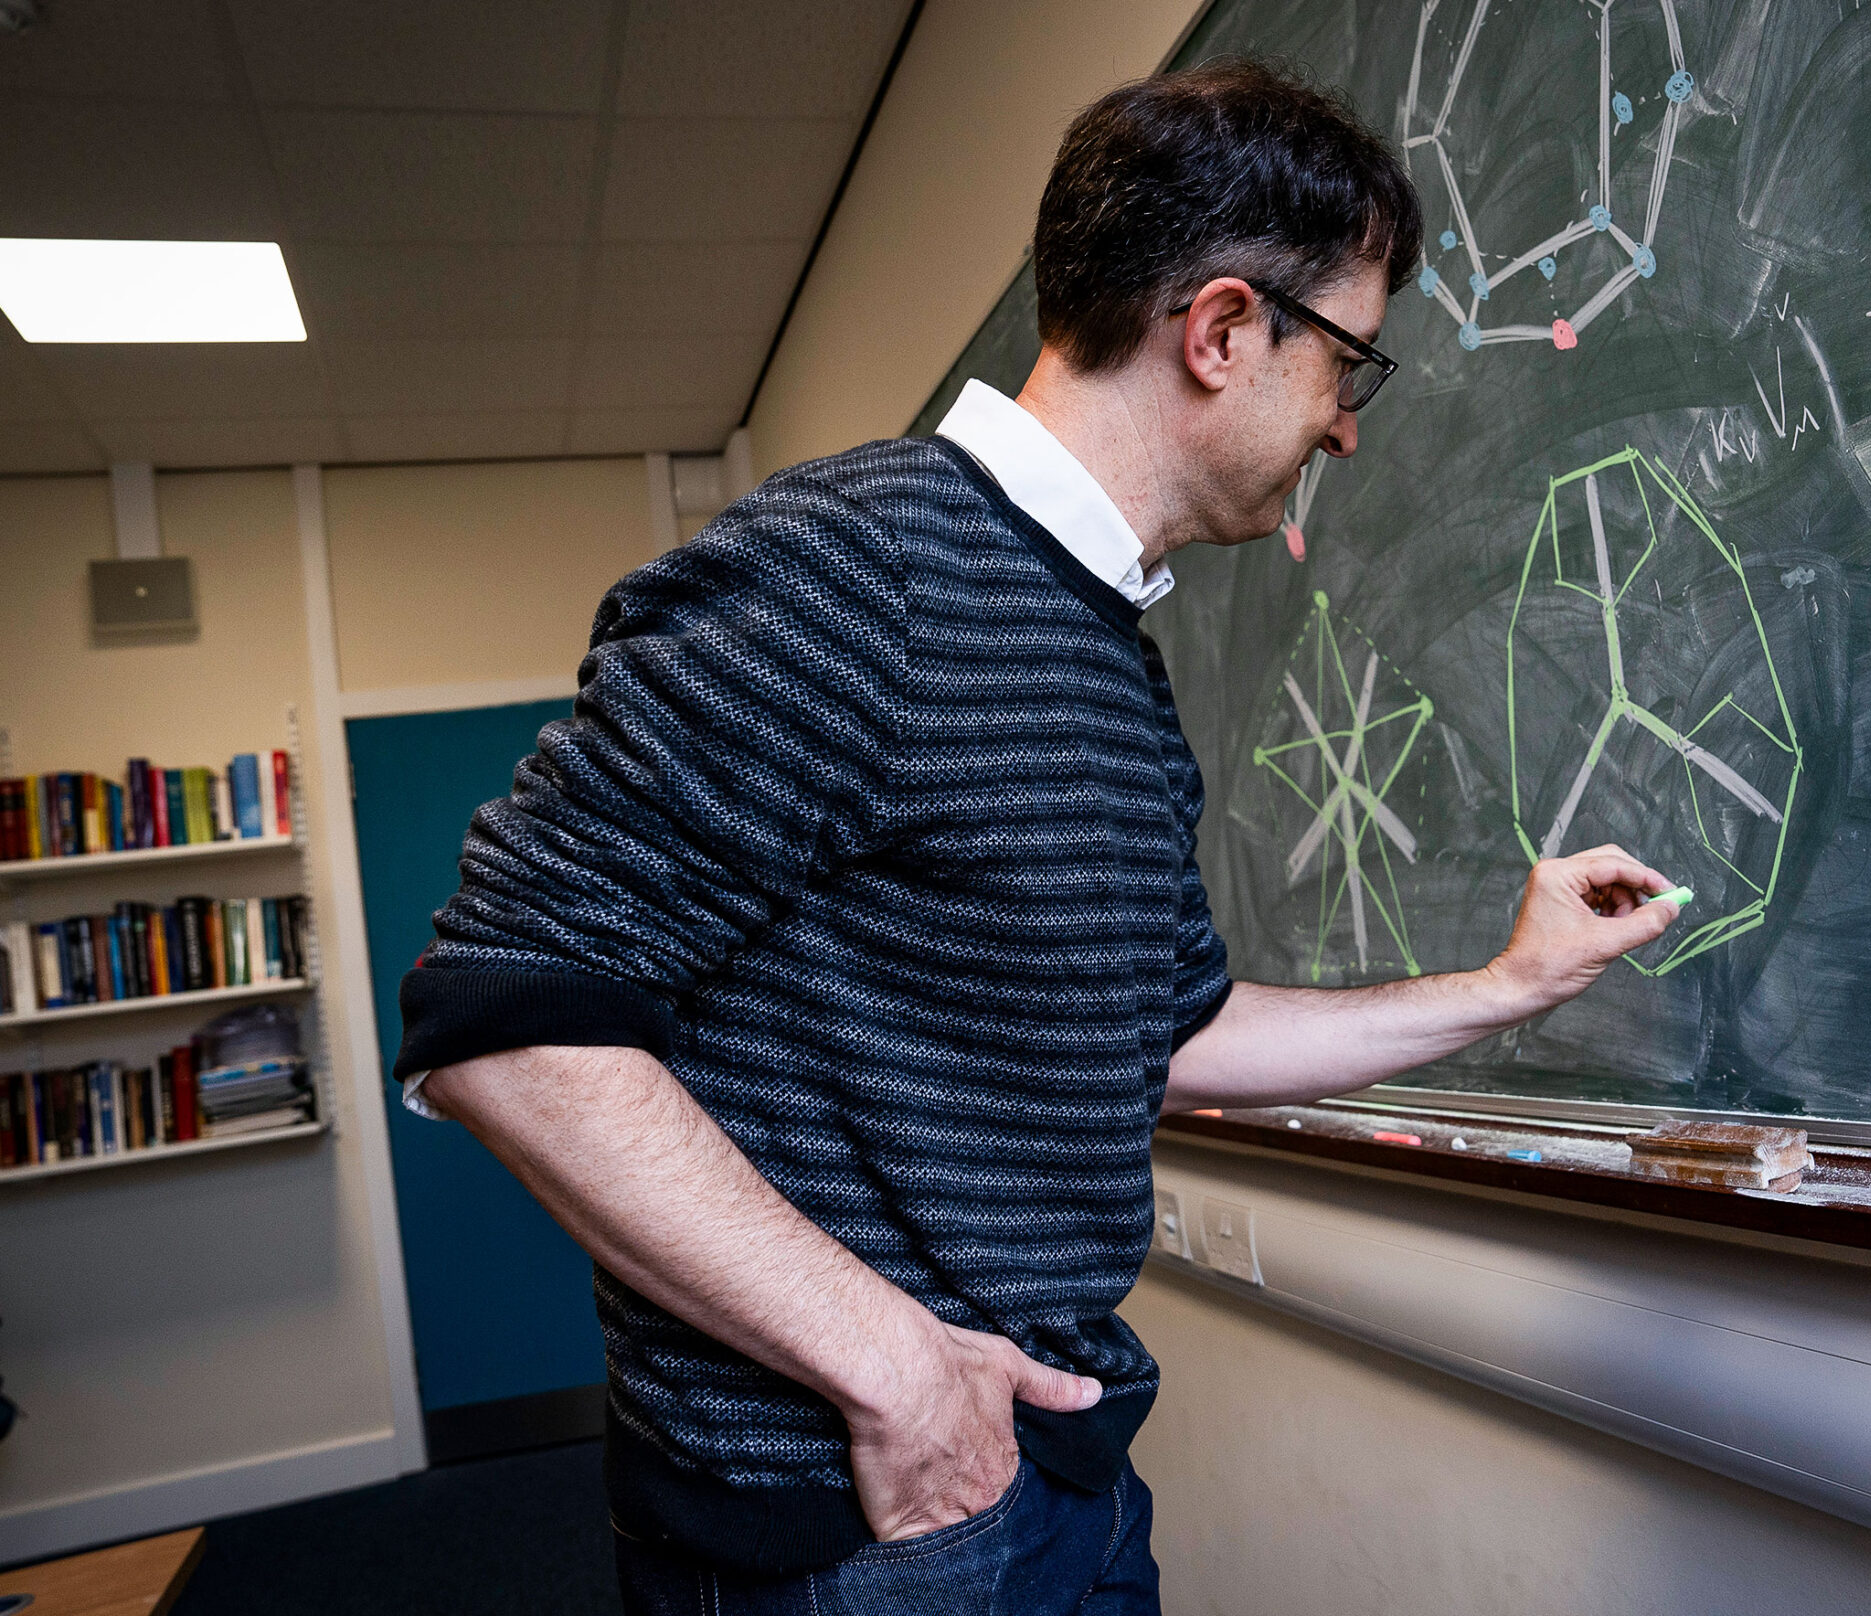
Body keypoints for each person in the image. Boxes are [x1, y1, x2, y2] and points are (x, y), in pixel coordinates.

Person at [394, 57, 1679, 1616]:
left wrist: (1511, 984)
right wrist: (893, 1373)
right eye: (1349, 361)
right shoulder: (860, 567)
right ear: (1218, 332)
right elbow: (508, 1016)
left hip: (1045, 1475)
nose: (1347, 427)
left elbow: (1176, 1030)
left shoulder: (1105, 656)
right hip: (861, 1528)